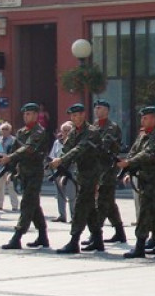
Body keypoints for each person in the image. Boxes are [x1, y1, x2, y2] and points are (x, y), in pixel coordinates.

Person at [116, 106, 155, 258]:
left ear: (154, 119)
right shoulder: (142, 135)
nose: (143, 120)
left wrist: (129, 162)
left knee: (145, 212)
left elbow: (148, 154)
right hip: (143, 177)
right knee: (153, 212)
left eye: (146, 118)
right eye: (142, 118)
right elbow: (134, 151)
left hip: (154, 179)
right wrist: (127, 166)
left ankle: (140, 246)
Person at [50, 104, 101, 254]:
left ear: (83, 115)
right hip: (81, 174)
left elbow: (79, 149)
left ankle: (74, 240)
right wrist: (58, 162)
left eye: (77, 115)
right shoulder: (73, 132)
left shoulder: (91, 131)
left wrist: (61, 160)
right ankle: (97, 239)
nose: (75, 118)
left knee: (80, 206)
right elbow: (67, 148)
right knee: (90, 207)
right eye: (72, 116)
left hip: (91, 174)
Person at [0, 103, 50, 250]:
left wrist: (11, 157)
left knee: (27, 204)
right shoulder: (21, 132)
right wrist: (8, 163)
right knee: (33, 205)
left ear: (35, 115)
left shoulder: (39, 132)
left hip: (35, 173)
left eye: (29, 114)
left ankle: (17, 236)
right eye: (25, 114)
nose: (26, 116)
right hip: (24, 173)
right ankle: (43, 236)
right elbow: (14, 150)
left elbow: (28, 148)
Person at [84, 99, 127, 248]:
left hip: (108, 169)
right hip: (96, 169)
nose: (97, 110)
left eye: (100, 108)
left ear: (107, 111)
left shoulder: (112, 127)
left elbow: (103, 146)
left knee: (102, 203)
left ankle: (95, 235)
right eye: (95, 108)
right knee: (109, 203)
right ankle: (120, 233)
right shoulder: (93, 126)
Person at [50, 121, 75, 223]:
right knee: (60, 194)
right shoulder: (57, 142)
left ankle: (74, 216)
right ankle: (62, 215)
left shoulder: (74, 142)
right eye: (64, 130)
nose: (66, 132)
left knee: (72, 194)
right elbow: (52, 155)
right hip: (58, 171)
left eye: (68, 130)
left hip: (71, 170)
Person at [0, 123, 20, 211]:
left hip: (10, 166)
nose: (4, 131)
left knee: (11, 185)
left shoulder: (14, 140)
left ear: (10, 130)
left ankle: (14, 205)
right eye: (3, 129)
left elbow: (16, 153)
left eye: (6, 129)